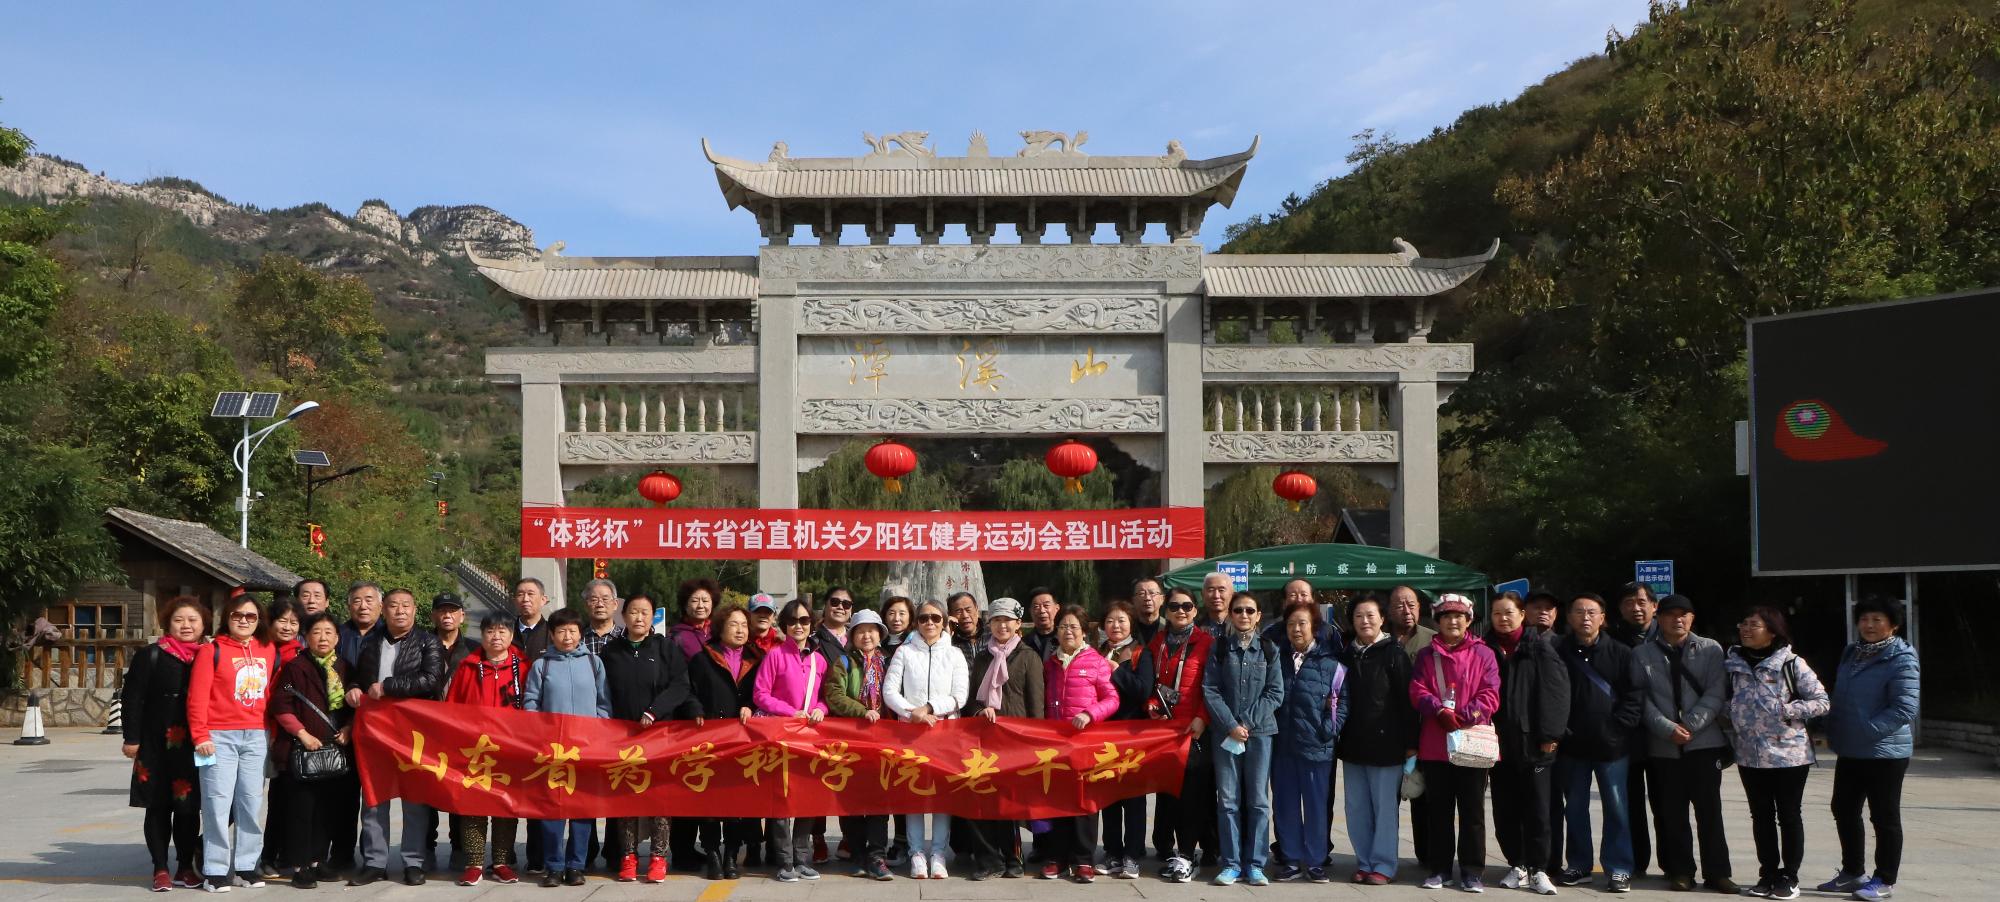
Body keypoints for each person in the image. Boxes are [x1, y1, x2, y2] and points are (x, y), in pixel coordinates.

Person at [1820, 595, 1922, 902]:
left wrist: (1868, 730)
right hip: (1851, 748)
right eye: (1864, 619)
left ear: (1894, 625)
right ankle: (1853, 872)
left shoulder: (1902, 657)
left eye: (1877, 619)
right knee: (1843, 808)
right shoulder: (1852, 652)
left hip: (1885, 752)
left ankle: (1884, 879)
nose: (1869, 625)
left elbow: (1905, 707)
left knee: (1884, 816)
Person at [1725, 606, 1828, 901]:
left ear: (1772, 631)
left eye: (1753, 625)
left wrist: (1786, 709)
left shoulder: (1791, 663)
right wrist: (1732, 711)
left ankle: (1789, 877)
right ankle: (1767, 873)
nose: (1746, 629)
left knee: (1789, 815)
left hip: (1789, 755)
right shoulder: (1732, 664)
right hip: (1749, 754)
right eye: (1743, 623)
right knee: (1761, 816)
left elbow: (1822, 701)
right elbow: (1726, 700)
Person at [1635, 594, 1733, 893]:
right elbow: (1641, 700)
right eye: (1670, 614)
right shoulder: (1642, 654)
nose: (1677, 619)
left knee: (1710, 812)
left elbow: (1717, 691)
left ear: (1692, 618)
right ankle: (1681, 871)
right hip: (1663, 746)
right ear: (1658, 618)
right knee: (1672, 813)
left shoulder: (1710, 649)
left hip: (1704, 743)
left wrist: (1690, 725)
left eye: (1683, 614)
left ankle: (1718, 873)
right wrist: (1667, 729)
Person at [348, 588, 447, 887]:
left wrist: (389, 686)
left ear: (415, 610)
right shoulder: (371, 642)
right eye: (393, 606)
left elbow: (432, 679)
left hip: (413, 730)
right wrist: (353, 687)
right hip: (376, 729)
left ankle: (414, 862)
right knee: (374, 796)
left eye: (406, 605)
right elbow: (358, 676)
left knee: (414, 797)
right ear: (383, 610)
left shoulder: (428, 642)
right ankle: (374, 862)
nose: (400, 611)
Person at [186, 593, 279, 892]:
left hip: (257, 735)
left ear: (259, 620)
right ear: (227, 618)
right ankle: (215, 869)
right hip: (218, 737)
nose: (243, 620)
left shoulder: (268, 650)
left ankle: (246, 866)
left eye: (251, 616)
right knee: (216, 802)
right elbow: (197, 697)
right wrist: (200, 735)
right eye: (237, 615)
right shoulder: (211, 650)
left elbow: (271, 695)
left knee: (251, 802)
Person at [1554, 592, 1645, 894]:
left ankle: (1619, 868)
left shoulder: (1621, 653)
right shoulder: (1559, 651)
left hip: (1612, 746)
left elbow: (1634, 696)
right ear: (1569, 617)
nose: (1585, 617)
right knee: (1575, 808)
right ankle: (1579, 865)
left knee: (1617, 808)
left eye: (1592, 612)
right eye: (1579, 611)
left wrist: (1618, 728)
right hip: (1572, 745)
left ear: (1603, 618)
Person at [1409, 593, 1500, 892]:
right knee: (1439, 811)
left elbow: (1491, 693)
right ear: (1438, 621)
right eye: (1447, 616)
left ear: (1469, 620)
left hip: (1472, 741)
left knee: (1473, 812)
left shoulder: (1484, 653)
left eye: (1459, 616)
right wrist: (1437, 710)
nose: (1453, 621)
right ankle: (1439, 869)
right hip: (1436, 744)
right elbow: (1417, 689)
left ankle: (1472, 871)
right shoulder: (1426, 655)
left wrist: (1465, 715)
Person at [600, 592, 692, 883]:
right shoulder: (611, 651)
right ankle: (628, 857)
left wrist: (654, 711)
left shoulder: (666, 648)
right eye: (633, 612)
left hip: (660, 735)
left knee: (659, 799)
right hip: (622, 737)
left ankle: (658, 857)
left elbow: (680, 686)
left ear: (653, 617)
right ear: (623, 616)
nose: (639, 618)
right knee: (626, 799)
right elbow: (602, 690)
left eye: (645, 612)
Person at [123, 596, 208, 892]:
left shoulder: (208, 655)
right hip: (155, 743)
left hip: (193, 744)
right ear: (167, 624)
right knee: (157, 807)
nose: (186, 625)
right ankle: (160, 868)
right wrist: (131, 738)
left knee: (188, 809)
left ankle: (184, 867)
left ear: (204, 624)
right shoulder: (151, 655)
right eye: (178, 620)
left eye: (193, 620)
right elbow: (132, 698)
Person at [1486, 591, 1568, 896]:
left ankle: (1539, 868)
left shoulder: (1539, 647)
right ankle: (1517, 863)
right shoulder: (1486, 648)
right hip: (1498, 744)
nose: (1503, 618)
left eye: (1509, 612)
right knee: (1505, 808)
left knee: (1538, 809)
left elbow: (1557, 693)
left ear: (1522, 615)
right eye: (1497, 613)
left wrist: (1550, 736)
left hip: (1534, 744)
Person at [523, 608, 610, 887]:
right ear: (552, 635)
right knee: (553, 809)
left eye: (572, 631)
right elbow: (531, 703)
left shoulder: (594, 663)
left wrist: (598, 733)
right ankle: (553, 866)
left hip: (586, 749)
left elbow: (604, 703)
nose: (567, 636)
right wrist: (539, 734)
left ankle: (576, 865)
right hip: (553, 749)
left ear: (580, 633)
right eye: (561, 631)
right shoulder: (542, 665)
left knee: (582, 810)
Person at [1204, 590, 1285, 887]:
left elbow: (1275, 692)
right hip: (1225, 734)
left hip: (1259, 733)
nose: (1244, 615)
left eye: (1250, 610)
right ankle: (1231, 863)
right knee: (1228, 800)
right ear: (1231, 614)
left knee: (1259, 801)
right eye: (1238, 610)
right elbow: (1210, 689)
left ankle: (1255, 864)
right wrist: (1230, 725)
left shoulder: (1269, 649)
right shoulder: (1219, 648)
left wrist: (1246, 723)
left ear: (1258, 615)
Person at [268, 612, 354, 890]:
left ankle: (318, 861)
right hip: (302, 750)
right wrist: (302, 734)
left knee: (326, 811)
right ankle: (299, 866)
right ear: (306, 637)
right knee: (301, 811)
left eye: (329, 632)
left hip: (333, 751)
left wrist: (349, 728)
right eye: (317, 632)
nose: (323, 638)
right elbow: (281, 704)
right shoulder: (295, 667)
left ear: (337, 638)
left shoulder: (344, 667)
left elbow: (352, 708)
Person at [884, 598, 968, 880]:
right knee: (914, 796)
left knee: (942, 797)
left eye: (935, 618)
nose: (929, 623)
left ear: (944, 621)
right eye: (923, 618)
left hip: (945, 733)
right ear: (916, 622)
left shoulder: (955, 654)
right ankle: (917, 853)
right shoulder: (904, 652)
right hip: (911, 732)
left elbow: (960, 696)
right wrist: (913, 713)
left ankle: (938, 853)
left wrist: (930, 708)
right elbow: (890, 691)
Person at [961, 597, 1043, 881]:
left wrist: (1035, 742)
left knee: (1008, 803)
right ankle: (988, 860)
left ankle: (1012, 858)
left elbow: (1036, 705)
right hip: (984, 741)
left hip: (1016, 742)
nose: (1002, 625)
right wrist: (979, 710)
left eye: (1007, 620)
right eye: (997, 620)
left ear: (1018, 624)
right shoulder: (983, 658)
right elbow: (971, 699)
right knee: (979, 799)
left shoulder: (1028, 657)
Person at [1337, 595, 1415, 886]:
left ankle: (1383, 864)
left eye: (1370, 615)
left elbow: (1408, 703)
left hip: (1387, 746)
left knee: (1384, 810)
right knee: (1356, 807)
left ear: (1382, 619)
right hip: (1353, 744)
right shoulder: (1346, 654)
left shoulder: (1394, 653)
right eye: (1358, 616)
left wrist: (1411, 744)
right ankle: (1364, 861)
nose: (1365, 621)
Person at [444, 613, 527, 887]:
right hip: (474, 748)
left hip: (511, 748)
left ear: (511, 635)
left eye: (502, 631)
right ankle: (474, 863)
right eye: (490, 631)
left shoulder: (524, 667)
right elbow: (452, 707)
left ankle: (501, 862)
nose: (496, 637)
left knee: (505, 806)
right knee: (473, 806)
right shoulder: (468, 667)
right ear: (482, 635)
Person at [753, 598, 831, 882]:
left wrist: (820, 710)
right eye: (793, 621)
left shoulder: (819, 660)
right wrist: (790, 712)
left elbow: (825, 697)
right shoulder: (775, 655)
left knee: (807, 799)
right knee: (782, 800)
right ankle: (785, 861)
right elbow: (760, 694)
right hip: (780, 735)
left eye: (804, 620)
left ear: (812, 624)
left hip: (809, 738)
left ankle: (802, 858)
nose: (799, 626)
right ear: (784, 625)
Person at [1271, 600, 1346, 884]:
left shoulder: (1331, 665)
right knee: (1285, 805)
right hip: (1283, 745)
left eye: (1302, 623)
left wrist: (1328, 730)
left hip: (1317, 747)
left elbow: (1342, 703)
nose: (1296, 629)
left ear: (1314, 627)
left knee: (1316, 806)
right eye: (1291, 624)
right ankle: (1291, 859)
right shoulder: (1276, 660)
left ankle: (1315, 861)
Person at [1044, 604, 1119, 883]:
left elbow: (1112, 699)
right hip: (1056, 742)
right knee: (1057, 800)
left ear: (1084, 631)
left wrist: (1089, 714)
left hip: (1085, 741)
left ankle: (1084, 860)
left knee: (1085, 801)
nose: (1068, 631)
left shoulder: (1096, 661)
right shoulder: (1050, 663)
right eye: (1063, 626)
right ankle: (1057, 858)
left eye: (1074, 626)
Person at [687, 605, 761, 879]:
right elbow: (689, 691)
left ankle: (731, 854)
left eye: (744, 625)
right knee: (710, 802)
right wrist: (695, 709)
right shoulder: (702, 659)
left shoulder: (756, 659)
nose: (740, 630)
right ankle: (712, 854)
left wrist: (751, 705)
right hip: (710, 739)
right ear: (720, 627)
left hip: (742, 740)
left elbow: (762, 692)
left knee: (736, 802)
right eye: (733, 624)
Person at [823, 609, 897, 881]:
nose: (867, 636)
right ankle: (856, 853)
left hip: (883, 739)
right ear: (852, 635)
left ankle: (877, 855)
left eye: (872, 630)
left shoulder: (889, 662)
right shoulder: (843, 661)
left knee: (880, 799)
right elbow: (834, 694)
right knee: (851, 799)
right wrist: (862, 711)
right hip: (851, 738)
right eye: (861, 631)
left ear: (880, 635)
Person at [1150, 586, 1215, 883]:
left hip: (1193, 730)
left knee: (1191, 796)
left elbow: (1213, 686)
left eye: (1187, 606)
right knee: (1169, 796)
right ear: (1166, 611)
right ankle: (1173, 852)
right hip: (1165, 731)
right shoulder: (1158, 643)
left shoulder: (1207, 643)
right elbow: (1149, 684)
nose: (1180, 611)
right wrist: (1151, 707)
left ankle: (1188, 855)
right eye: (1174, 606)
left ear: (1195, 611)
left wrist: (1203, 718)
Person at [1096, 601, 1155, 880]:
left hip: (1132, 735)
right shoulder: (1097, 652)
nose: (1115, 626)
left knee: (1133, 798)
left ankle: (1132, 854)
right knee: (1108, 797)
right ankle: (1112, 852)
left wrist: (1116, 671)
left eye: (1121, 620)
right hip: (1103, 735)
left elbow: (1143, 690)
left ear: (1131, 623)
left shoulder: (1141, 653)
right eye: (1110, 621)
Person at [1612, 582, 1661, 880]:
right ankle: (1636, 861)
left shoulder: (1668, 637)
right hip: (1626, 735)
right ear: (1620, 609)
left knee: (1666, 804)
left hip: (1664, 735)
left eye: (1642, 601)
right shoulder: (1612, 640)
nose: (1636, 607)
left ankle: (1675, 865)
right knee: (1628, 804)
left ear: (1655, 606)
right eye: (1629, 602)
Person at [258, 596, 306, 880]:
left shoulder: (299, 655)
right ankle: (205, 846)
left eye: (294, 622)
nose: (288, 627)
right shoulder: (257, 649)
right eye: (282, 621)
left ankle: (272, 855)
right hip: (252, 730)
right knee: (244, 797)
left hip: (282, 737)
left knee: (280, 799)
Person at [1524, 589, 1568, 876]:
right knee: (1527, 802)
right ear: (1524, 612)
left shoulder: (1563, 645)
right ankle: (1526, 859)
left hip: (1554, 738)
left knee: (1551, 803)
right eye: (1536, 606)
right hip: (1522, 735)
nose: (1543, 612)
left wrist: (1553, 733)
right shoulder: (1519, 644)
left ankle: (1550, 862)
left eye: (1549, 608)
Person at [668, 577, 718, 661]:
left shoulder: (718, 632)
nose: (700, 606)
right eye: (694, 601)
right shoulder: (676, 637)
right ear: (685, 605)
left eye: (705, 601)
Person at [337, 582, 383, 669]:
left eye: (369, 601)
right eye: (357, 601)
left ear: (381, 606)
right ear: (349, 607)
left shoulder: (390, 635)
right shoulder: (337, 634)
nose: (363, 606)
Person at [512, 578, 552, 663]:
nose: (525, 599)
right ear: (514, 601)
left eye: (530, 594)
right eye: (520, 594)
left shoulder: (553, 633)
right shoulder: (507, 632)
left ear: (543, 600)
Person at [580, 578, 624, 654]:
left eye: (605, 599)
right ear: (586, 605)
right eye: (594, 600)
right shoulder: (577, 638)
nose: (600, 604)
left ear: (615, 604)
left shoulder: (625, 637)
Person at [1023, 588, 1060, 659]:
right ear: (1030, 611)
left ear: (1057, 608)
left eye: (1046, 605)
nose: (1042, 610)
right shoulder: (1023, 644)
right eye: (1036, 607)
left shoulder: (1066, 640)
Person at [1130, 578, 1167, 646]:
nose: (1147, 598)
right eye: (1141, 593)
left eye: (1152, 593)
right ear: (1133, 600)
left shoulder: (1171, 629)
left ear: (1162, 599)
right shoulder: (1126, 629)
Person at [1199, 573, 1233, 637]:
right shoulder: (1194, 629)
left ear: (1232, 594)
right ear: (1202, 594)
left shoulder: (1242, 626)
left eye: (1221, 590)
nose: (1216, 596)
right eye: (1211, 590)